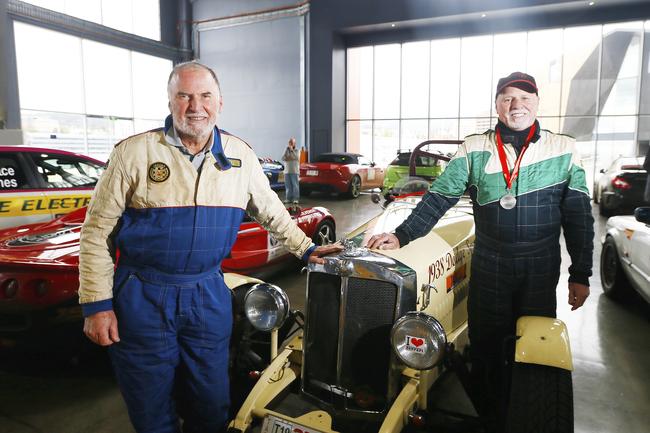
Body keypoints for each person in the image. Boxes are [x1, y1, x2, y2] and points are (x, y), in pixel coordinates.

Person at [78, 61, 341, 433]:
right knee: (150, 406)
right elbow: (96, 233)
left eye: (204, 96)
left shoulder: (240, 156)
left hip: (207, 295)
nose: (194, 106)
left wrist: (307, 249)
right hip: (142, 296)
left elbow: (272, 213)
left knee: (211, 402)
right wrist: (97, 305)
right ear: (170, 102)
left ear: (220, 103)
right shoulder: (132, 154)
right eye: (183, 96)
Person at [367, 71, 594, 431]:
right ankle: (491, 414)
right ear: (497, 105)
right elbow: (440, 196)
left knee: (533, 345)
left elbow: (579, 216)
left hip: (540, 264)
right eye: (507, 98)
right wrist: (402, 235)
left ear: (537, 102)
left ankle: (525, 412)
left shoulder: (564, 148)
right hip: (490, 262)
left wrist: (580, 273)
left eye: (524, 98)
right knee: (486, 346)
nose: (516, 105)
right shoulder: (475, 148)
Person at [282, 137, 300, 204]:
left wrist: (292, 150)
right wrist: (287, 152)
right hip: (287, 171)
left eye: (292, 143)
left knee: (295, 185)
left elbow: (296, 157)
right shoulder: (286, 150)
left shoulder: (297, 150)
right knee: (288, 186)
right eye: (290, 142)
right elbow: (283, 158)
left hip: (294, 171)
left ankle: (295, 199)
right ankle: (288, 198)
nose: (290, 144)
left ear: (294, 143)